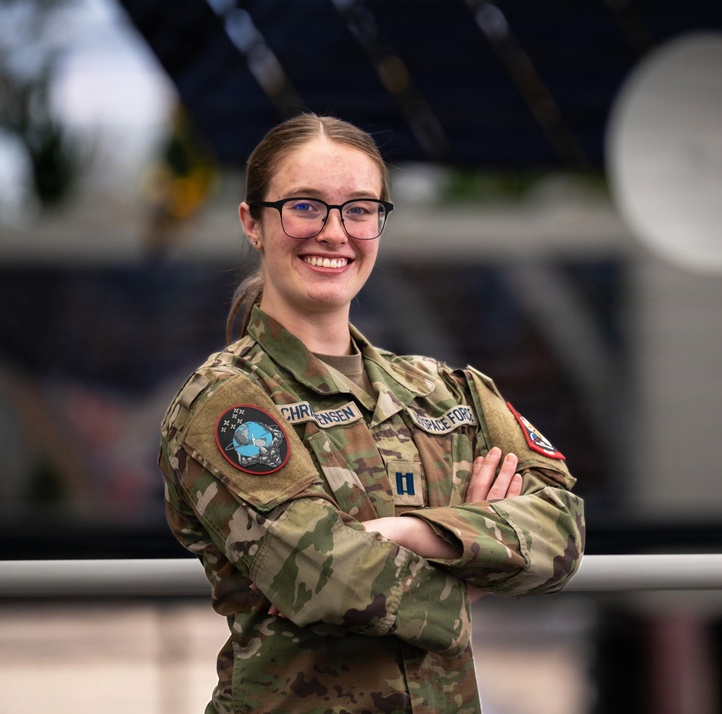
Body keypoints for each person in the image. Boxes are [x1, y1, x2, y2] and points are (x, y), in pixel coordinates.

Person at [158, 112, 585, 714]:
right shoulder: (227, 404)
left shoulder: (449, 393)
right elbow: (329, 579)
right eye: (305, 206)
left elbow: (563, 531)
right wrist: (479, 558)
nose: (334, 232)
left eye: (359, 209)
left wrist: (416, 532)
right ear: (253, 223)